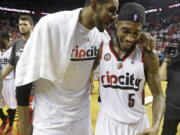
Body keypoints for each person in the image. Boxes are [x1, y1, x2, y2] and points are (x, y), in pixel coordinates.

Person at [15, 0, 154, 135]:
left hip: (82, 119)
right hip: (50, 120)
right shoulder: (51, 25)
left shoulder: (101, 36)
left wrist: (138, 36)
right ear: (94, 4)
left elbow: (120, 46)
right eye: (111, 10)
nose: (114, 17)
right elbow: (24, 72)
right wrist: (23, 121)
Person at [94, 2, 165, 135]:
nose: (130, 38)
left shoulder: (148, 55)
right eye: (125, 31)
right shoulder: (101, 48)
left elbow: (158, 95)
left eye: (136, 33)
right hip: (106, 123)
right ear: (116, 24)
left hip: (137, 125)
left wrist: (156, 126)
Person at [0, 30, 16, 135]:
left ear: (5, 38)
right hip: (1, 80)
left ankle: (10, 125)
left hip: (10, 80)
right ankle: (4, 118)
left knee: (12, 105)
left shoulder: (13, 51)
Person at [160, 54, 180, 135]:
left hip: (172, 106)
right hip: (172, 108)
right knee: (168, 132)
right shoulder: (175, 64)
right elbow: (161, 77)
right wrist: (165, 61)